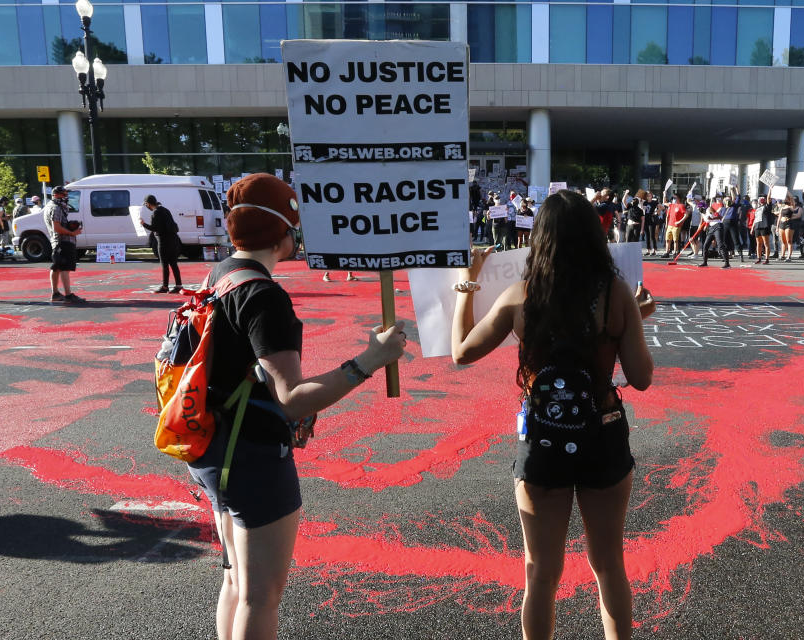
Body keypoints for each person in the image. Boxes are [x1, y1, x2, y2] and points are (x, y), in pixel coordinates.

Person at [188, 173, 406, 640]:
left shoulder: (223, 273)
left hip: (214, 444)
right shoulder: (264, 296)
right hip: (249, 455)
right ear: (281, 230)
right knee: (260, 596)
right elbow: (290, 399)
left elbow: (248, 370)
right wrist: (372, 360)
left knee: (237, 582)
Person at [450, 189, 654, 640]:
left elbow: (461, 352)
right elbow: (640, 377)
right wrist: (638, 319)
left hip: (543, 440)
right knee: (608, 566)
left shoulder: (521, 296)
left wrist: (467, 283)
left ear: (539, 239)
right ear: (595, 236)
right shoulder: (616, 294)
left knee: (540, 573)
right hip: (603, 435)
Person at [43, 185, 85, 303]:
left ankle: (55, 293)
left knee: (56, 267)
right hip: (62, 241)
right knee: (64, 268)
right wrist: (72, 233)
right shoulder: (56, 208)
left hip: (57, 241)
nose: (66, 197)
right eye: (64, 194)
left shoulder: (50, 206)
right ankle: (68, 295)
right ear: (56, 195)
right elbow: (56, 227)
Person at [141, 194, 183, 293]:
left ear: (148, 204)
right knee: (173, 263)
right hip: (173, 240)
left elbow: (155, 228)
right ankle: (179, 285)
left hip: (163, 241)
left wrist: (143, 224)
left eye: (146, 204)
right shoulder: (165, 210)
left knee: (164, 264)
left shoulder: (156, 213)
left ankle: (165, 286)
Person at [698, 196, 730, 268]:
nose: (699, 210)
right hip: (711, 228)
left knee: (720, 244)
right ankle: (705, 262)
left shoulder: (709, 209)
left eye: (700, 208)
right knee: (705, 245)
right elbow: (705, 221)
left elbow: (720, 217)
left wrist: (712, 218)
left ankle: (727, 263)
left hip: (718, 226)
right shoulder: (702, 214)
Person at [752, 195, 776, 264]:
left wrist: (770, 189)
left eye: (763, 198)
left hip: (764, 226)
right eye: (760, 198)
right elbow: (755, 218)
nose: (761, 199)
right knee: (758, 243)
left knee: (766, 243)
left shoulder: (767, 206)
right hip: (757, 226)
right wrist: (752, 228)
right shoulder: (757, 208)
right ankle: (759, 258)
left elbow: (768, 199)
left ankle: (767, 259)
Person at [776, 195, 798, 261]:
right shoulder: (782, 207)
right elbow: (779, 217)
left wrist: (787, 192)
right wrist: (777, 226)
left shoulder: (791, 207)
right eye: (784, 199)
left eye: (786, 199)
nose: (785, 200)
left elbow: (792, 199)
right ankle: (782, 255)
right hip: (782, 224)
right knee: (783, 241)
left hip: (789, 223)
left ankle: (789, 256)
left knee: (789, 240)